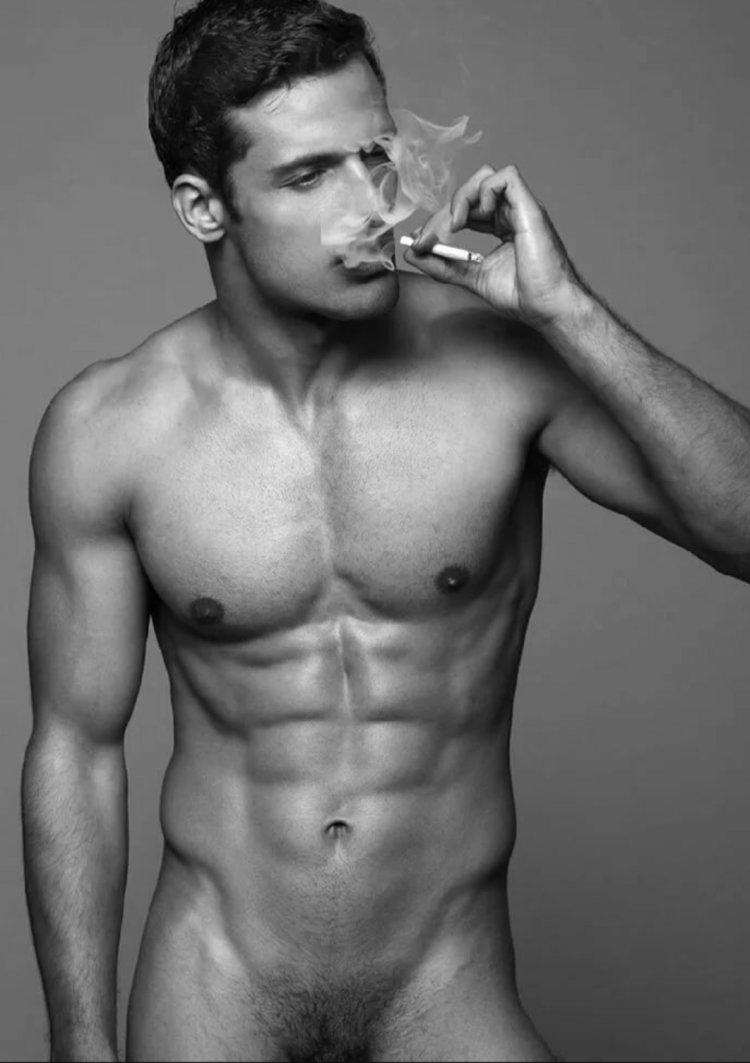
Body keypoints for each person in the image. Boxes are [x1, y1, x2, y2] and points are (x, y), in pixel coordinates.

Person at [21, 1, 750, 1061]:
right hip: (215, 980)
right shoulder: (110, 430)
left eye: (373, 157)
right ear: (204, 206)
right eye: (308, 176)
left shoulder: (505, 365)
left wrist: (570, 314)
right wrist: (78, 1047)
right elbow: (76, 752)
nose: (369, 205)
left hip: (444, 979)